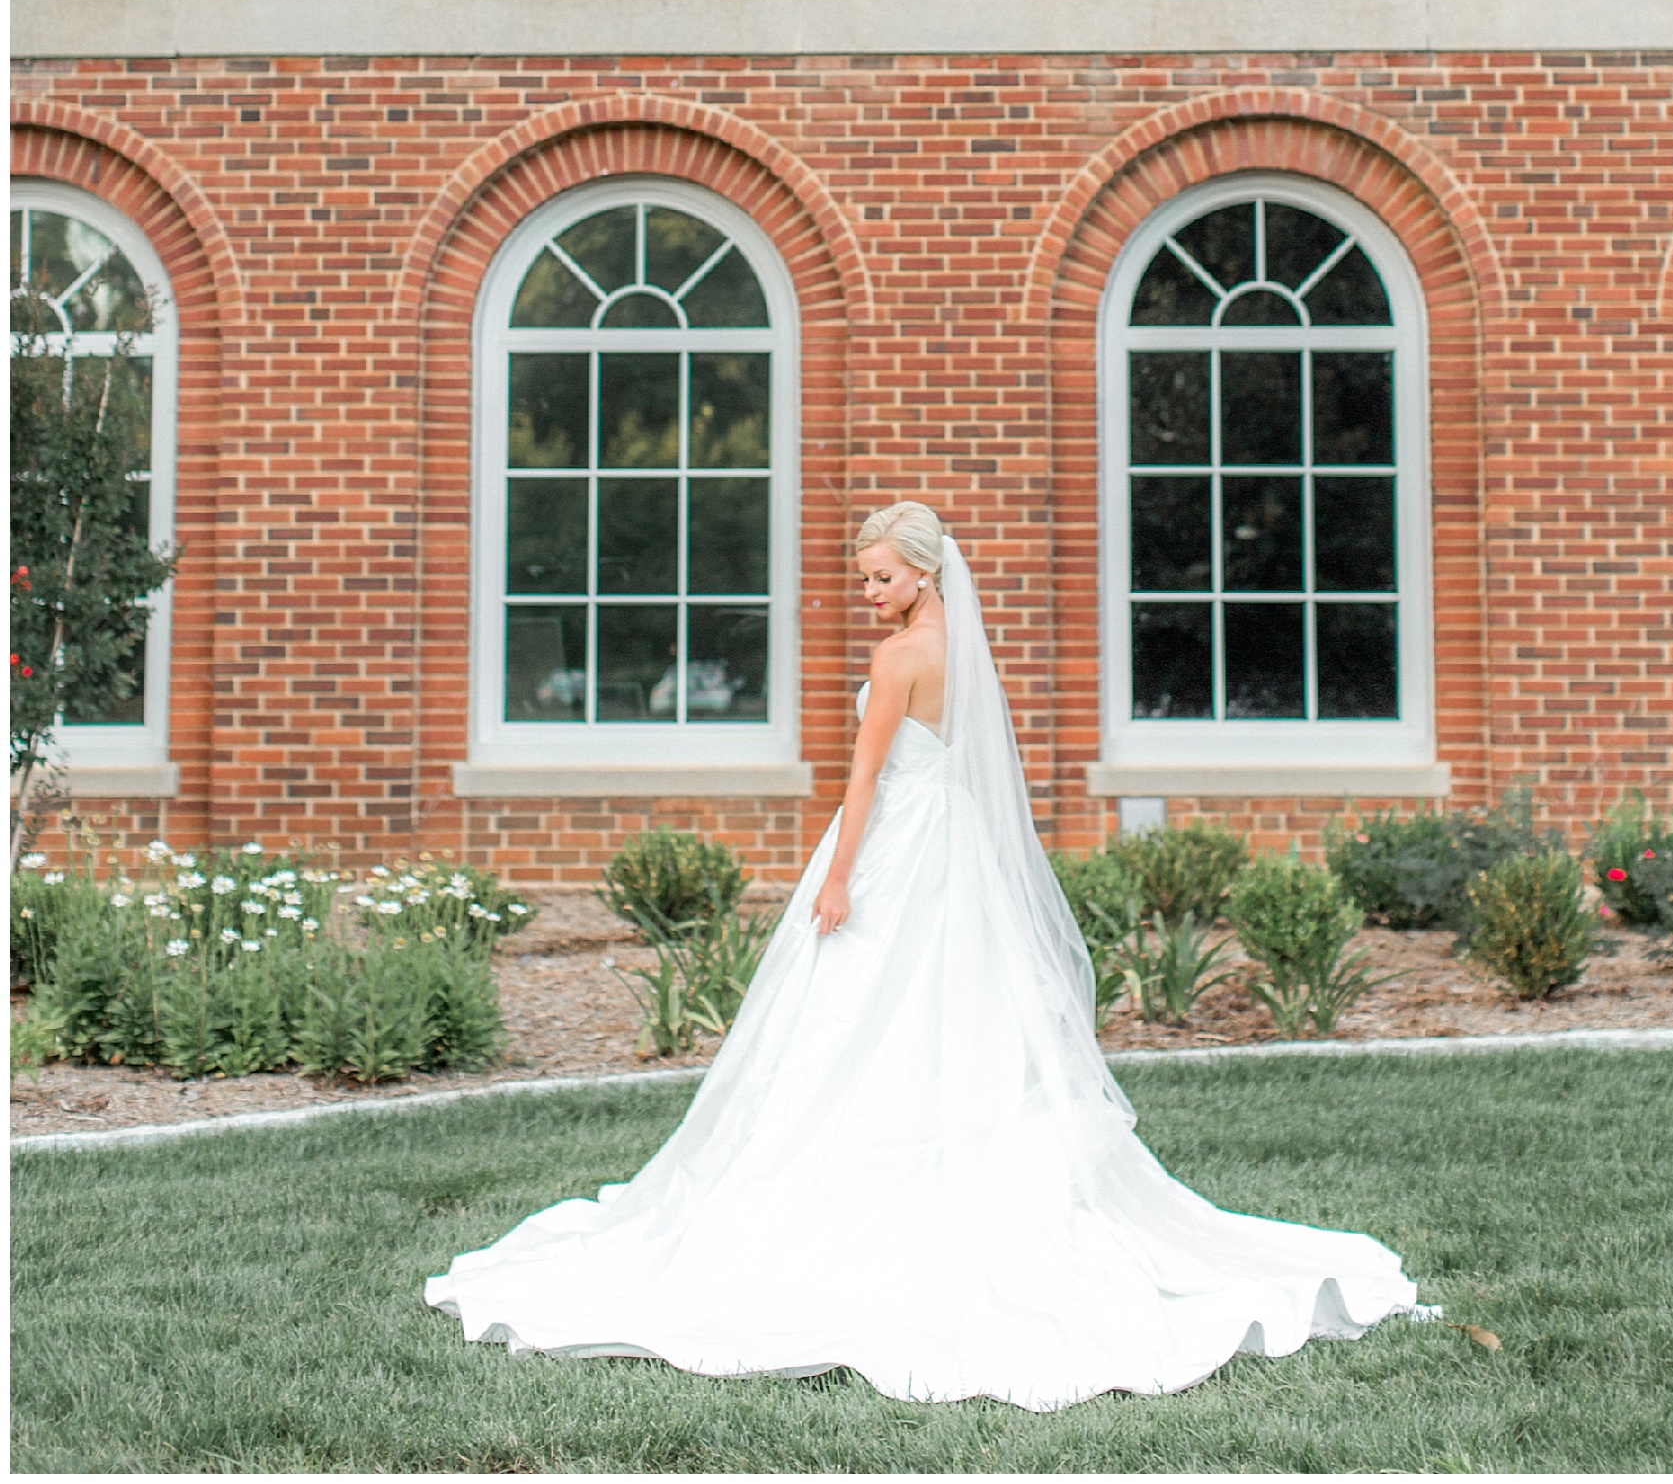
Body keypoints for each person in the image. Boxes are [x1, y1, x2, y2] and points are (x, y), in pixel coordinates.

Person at [425, 501, 1422, 1411]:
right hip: (950, 847)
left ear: (923, 574)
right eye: (862, 577)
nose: (868, 592)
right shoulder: (953, 650)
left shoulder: (904, 658)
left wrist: (836, 875)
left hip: (896, 845)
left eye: (879, 577)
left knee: (849, 1013)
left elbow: (864, 779)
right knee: (952, 1007)